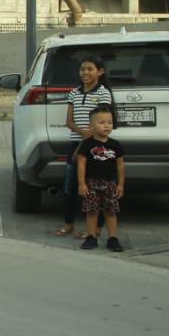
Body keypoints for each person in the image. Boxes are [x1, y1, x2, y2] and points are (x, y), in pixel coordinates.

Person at [55, 57, 113, 238]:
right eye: (82, 69)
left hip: (95, 147)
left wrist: (82, 146)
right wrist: (81, 135)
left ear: (100, 72)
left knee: (96, 189)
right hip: (75, 143)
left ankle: (95, 229)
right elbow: (69, 121)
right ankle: (68, 224)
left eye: (90, 69)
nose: (85, 73)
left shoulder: (103, 93)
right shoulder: (74, 93)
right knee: (69, 187)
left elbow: (101, 122)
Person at [75, 106, 126, 252]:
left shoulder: (115, 145)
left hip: (110, 183)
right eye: (102, 122)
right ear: (91, 125)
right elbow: (81, 165)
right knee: (92, 211)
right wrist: (81, 183)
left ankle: (113, 239)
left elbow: (121, 166)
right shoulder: (87, 144)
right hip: (91, 183)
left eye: (109, 122)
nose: (106, 125)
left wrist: (121, 185)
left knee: (111, 211)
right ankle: (91, 237)